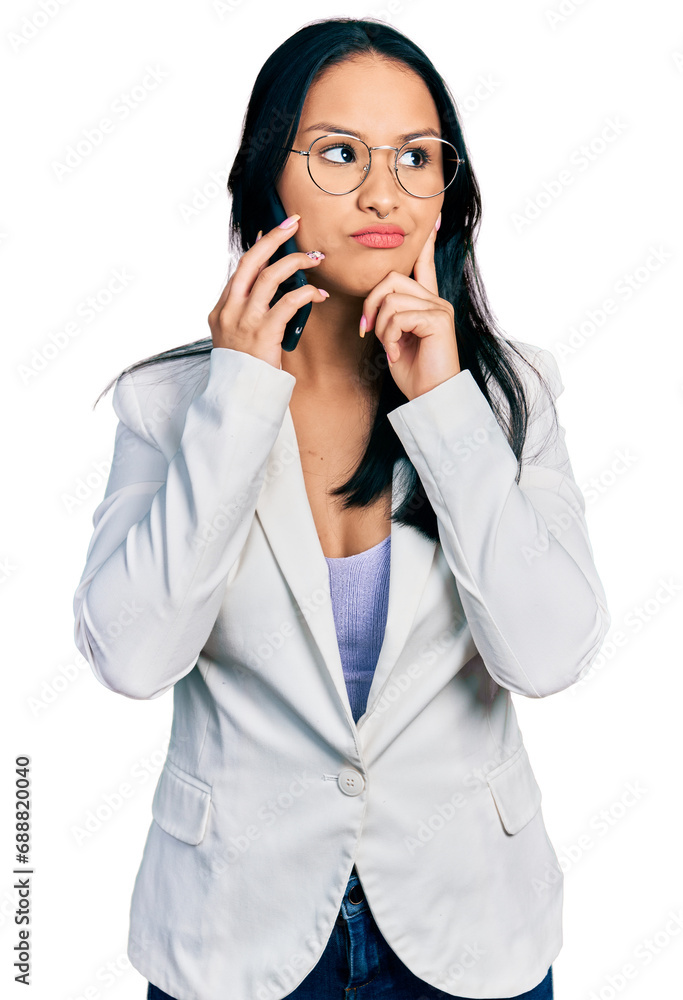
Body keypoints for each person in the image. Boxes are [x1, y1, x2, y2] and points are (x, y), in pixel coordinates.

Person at [72, 16, 611, 1000]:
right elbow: (131, 656)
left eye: (414, 156)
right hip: (232, 937)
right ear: (264, 180)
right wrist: (235, 400)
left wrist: (446, 409)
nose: (380, 192)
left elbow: (549, 653)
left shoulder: (509, 395)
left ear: (448, 193)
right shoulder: (168, 409)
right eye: (337, 154)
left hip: (468, 931)